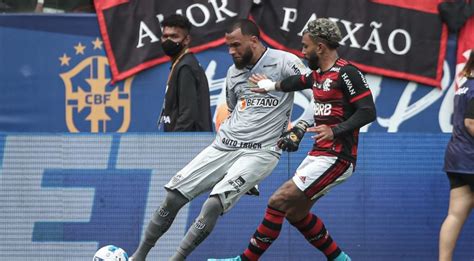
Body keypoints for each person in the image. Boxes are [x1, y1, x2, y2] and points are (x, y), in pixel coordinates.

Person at [130, 19, 309, 261]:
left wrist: (299, 127)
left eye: (236, 45)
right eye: (228, 46)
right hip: (224, 146)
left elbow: (319, 94)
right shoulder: (233, 73)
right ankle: (138, 257)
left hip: (261, 152)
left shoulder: (285, 62)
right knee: (172, 198)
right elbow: (236, 109)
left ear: (254, 40)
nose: (231, 51)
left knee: (212, 205)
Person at [209, 18, 376, 261]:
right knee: (296, 213)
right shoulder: (318, 74)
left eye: (305, 46)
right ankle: (340, 259)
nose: (302, 51)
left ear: (320, 47)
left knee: (278, 200)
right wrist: (271, 85)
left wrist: (335, 130)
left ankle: (245, 260)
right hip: (320, 153)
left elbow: (368, 111)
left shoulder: (347, 73)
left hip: (338, 157)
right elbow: (296, 82)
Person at [439, 49, 474, 261]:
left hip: (456, 159)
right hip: (470, 159)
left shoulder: (464, 86)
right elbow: (471, 123)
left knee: (455, 214)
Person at [157, 14, 213, 132]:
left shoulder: (185, 67)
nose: (168, 41)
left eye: (174, 36)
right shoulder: (181, 64)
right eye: (165, 36)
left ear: (186, 40)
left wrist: (175, 142)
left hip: (188, 144)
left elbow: (188, 114)